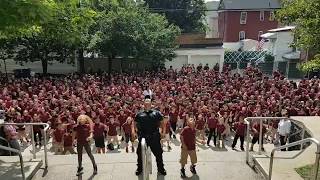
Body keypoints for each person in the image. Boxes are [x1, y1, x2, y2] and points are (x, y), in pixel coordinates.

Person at [134, 98, 166, 176]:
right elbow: (134, 123)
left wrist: (163, 132)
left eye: (149, 102)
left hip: (154, 136)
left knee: (158, 154)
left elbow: (163, 123)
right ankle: (140, 168)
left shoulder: (157, 113)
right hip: (143, 136)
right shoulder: (139, 114)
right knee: (140, 153)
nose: (147, 103)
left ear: (151, 104)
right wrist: (134, 132)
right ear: (143, 104)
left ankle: (161, 169)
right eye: (146, 102)